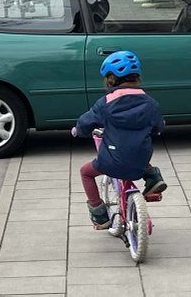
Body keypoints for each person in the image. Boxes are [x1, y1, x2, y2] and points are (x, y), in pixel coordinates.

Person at [71, 50, 167, 230]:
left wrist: (78, 130)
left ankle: (100, 215)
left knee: (86, 172)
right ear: (137, 77)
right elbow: (158, 127)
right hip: (141, 159)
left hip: (112, 161)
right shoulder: (150, 103)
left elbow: (85, 123)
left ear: (110, 79)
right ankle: (153, 178)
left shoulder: (105, 103)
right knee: (138, 153)